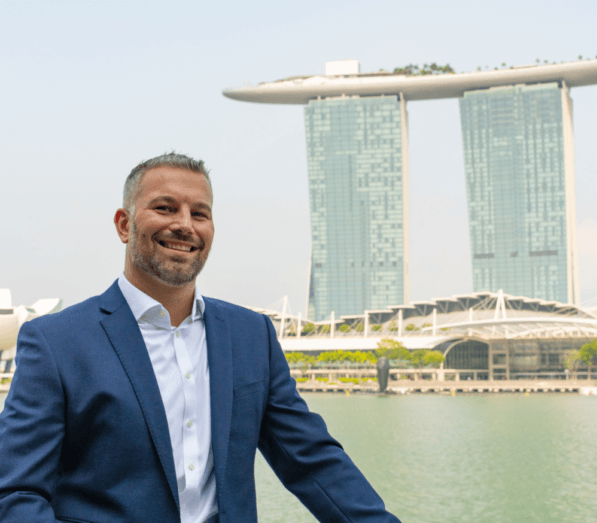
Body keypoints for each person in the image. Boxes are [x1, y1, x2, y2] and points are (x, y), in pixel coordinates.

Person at [0, 153, 401, 523]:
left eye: (200, 213)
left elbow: (312, 461)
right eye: (165, 208)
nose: (185, 224)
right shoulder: (55, 342)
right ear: (125, 224)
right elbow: (15, 492)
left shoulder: (251, 336)